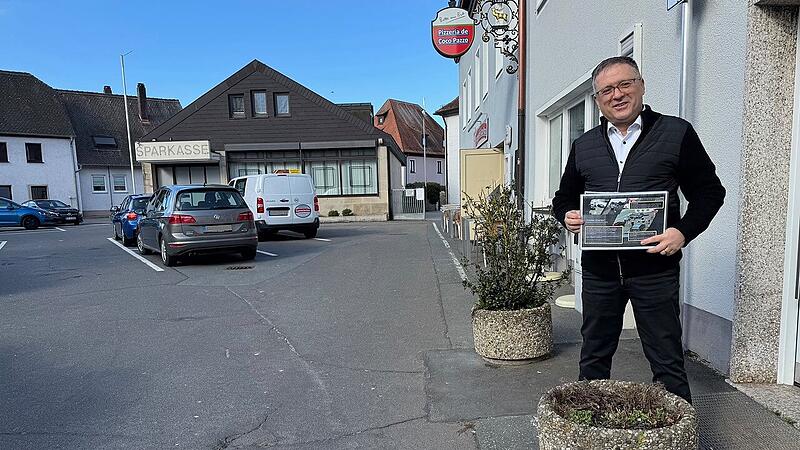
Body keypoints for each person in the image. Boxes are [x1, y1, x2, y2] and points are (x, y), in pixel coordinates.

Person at [551, 56, 725, 403]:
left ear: (641, 85)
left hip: (654, 271)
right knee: (594, 360)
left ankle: (678, 439)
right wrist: (568, 214)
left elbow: (710, 193)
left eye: (625, 84)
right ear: (598, 100)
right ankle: (589, 432)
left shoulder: (676, 133)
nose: (617, 95)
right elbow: (564, 196)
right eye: (607, 90)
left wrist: (682, 232)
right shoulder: (584, 145)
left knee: (667, 363)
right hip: (600, 273)